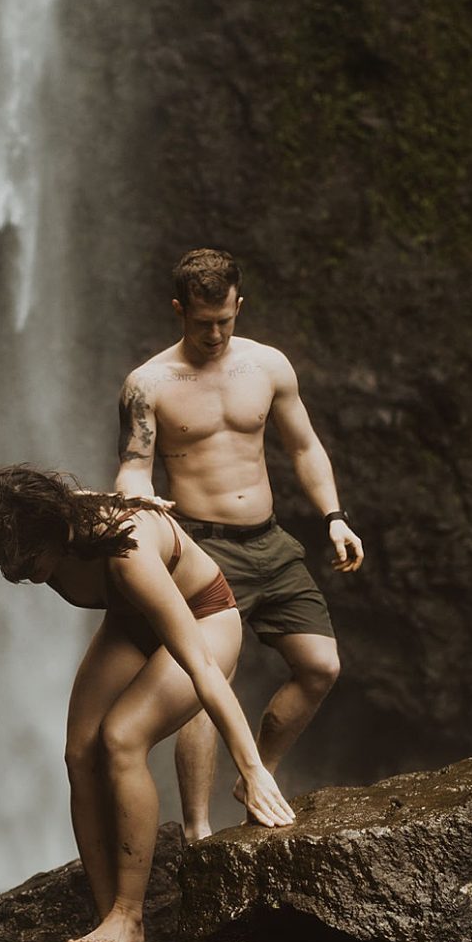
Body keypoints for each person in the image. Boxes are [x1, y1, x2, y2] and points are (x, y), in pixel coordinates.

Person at [0, 464, 296, 942]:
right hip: (131, 619)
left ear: (51, 530)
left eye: (23, 557)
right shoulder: (53, 518)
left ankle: (130, 916)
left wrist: (252, 770)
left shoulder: (129, 551)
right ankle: (108, 922)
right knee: (78, 753)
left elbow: (204, 669)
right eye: (0, 560)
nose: (14, 572)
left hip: (203, 620)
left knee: (121, 737)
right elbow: (72, 496)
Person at [115, 247, 364, 842]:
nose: (216, 333)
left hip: (270, 543)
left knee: (321, 665)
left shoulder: (268, 366)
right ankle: (199, 833)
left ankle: (259, 776)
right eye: (203, 323)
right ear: (179, 310)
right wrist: (138, 501)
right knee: (206, 686)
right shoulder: (148, 385)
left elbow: (304, 446)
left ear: (239, 305)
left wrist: (334, 516)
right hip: (201, 549)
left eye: (226, 319)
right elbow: (132, 466)